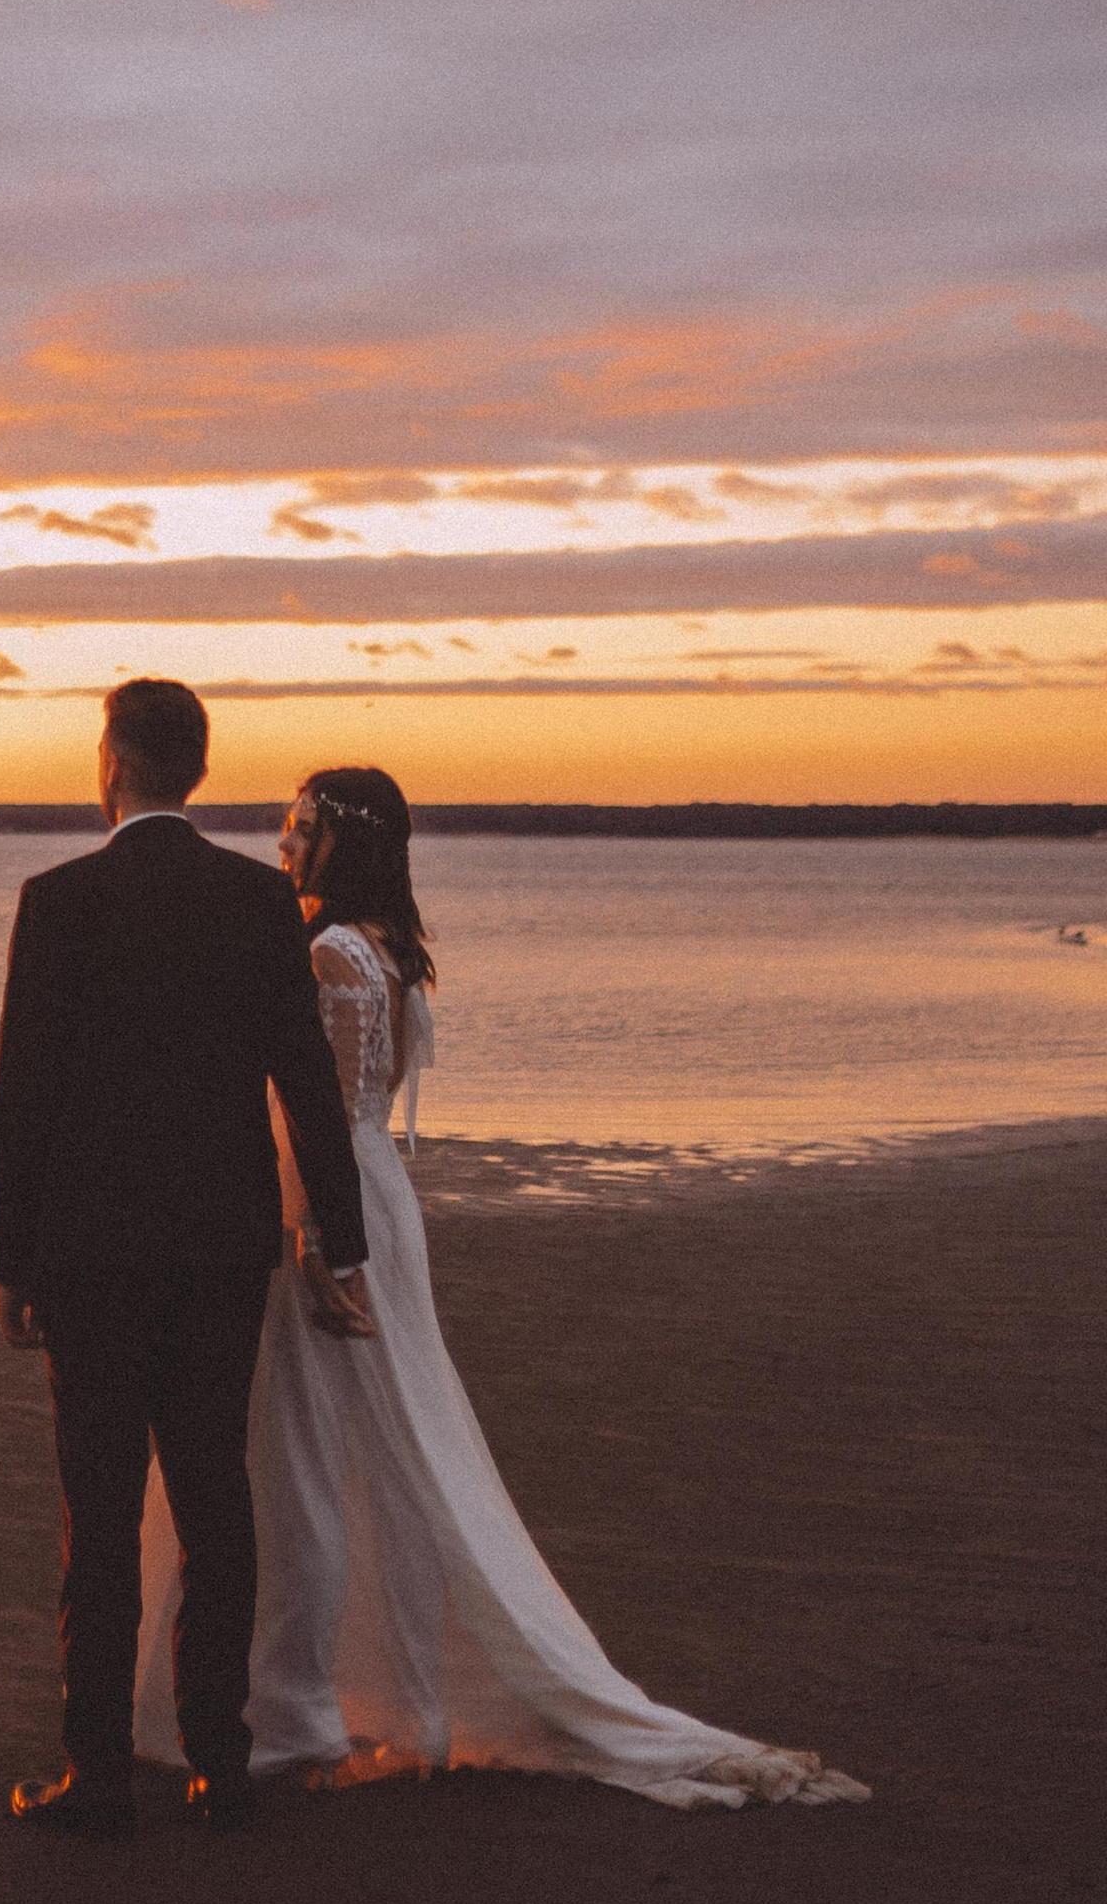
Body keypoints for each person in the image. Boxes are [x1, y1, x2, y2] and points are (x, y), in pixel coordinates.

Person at [134, 765, 867, 1810]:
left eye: (298, 830)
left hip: (322, 1212)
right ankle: (301, 1694)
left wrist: (312, 1243)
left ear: (343, 843)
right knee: (331, 1448)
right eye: (283, 827)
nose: (282, 846)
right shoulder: (383, 947)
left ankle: (292, 1709)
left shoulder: (336, 954)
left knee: (299, 1459)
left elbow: (321, 1114)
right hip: (361, 1203)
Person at [0, 678, 374, 1838]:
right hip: (218, 1246)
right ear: (196, 771)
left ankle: (96, 1770)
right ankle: (218, 1758)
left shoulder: (58, 900)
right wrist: (340, 1238)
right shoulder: (257, 902)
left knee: (96, 1509)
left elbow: (26, 1095)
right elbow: (304, 1081)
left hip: (91, 1251)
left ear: (109, 761)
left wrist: (12, 1258)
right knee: (216, 1496)